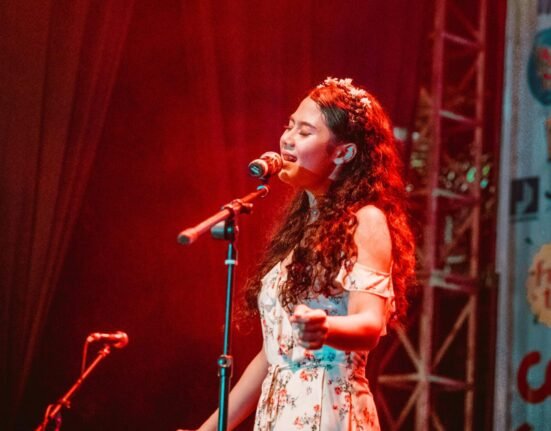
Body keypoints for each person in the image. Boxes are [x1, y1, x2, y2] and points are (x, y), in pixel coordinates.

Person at [187, 77, 415, 430]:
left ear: (343, 153)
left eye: (305, 132)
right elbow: (271, 357)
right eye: (289, 126)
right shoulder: (300, 233)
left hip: (330, 409)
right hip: (279, 414)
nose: (287, 139)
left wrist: (326, 327)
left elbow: (370, 324)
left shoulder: (365, 220)